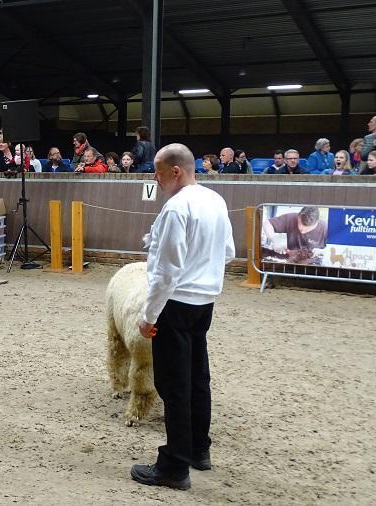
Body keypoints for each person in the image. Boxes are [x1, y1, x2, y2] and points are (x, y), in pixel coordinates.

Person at [131, 144, 235, 491]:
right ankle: (198, 449)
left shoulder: (176, 208)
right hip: (204, 302)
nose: (157, 181)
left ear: (175, 171)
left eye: (158, 174)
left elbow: (166, 270)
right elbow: (229, 252)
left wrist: (148, 315)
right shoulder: (215, 200)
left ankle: (174, 466)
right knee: (197, 377)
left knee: (173, 385)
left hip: (175, 304)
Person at [262, 206, 327, 254]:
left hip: (312, 266)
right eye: (300, 224)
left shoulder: (325, 229)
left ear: (317, 222)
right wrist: (275, 239)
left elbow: (333, 250)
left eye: (307, 228)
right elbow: (267, 223)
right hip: (285, 260)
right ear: (298, 216)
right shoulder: (290, 218)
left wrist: (322, 252)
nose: (302, 231)